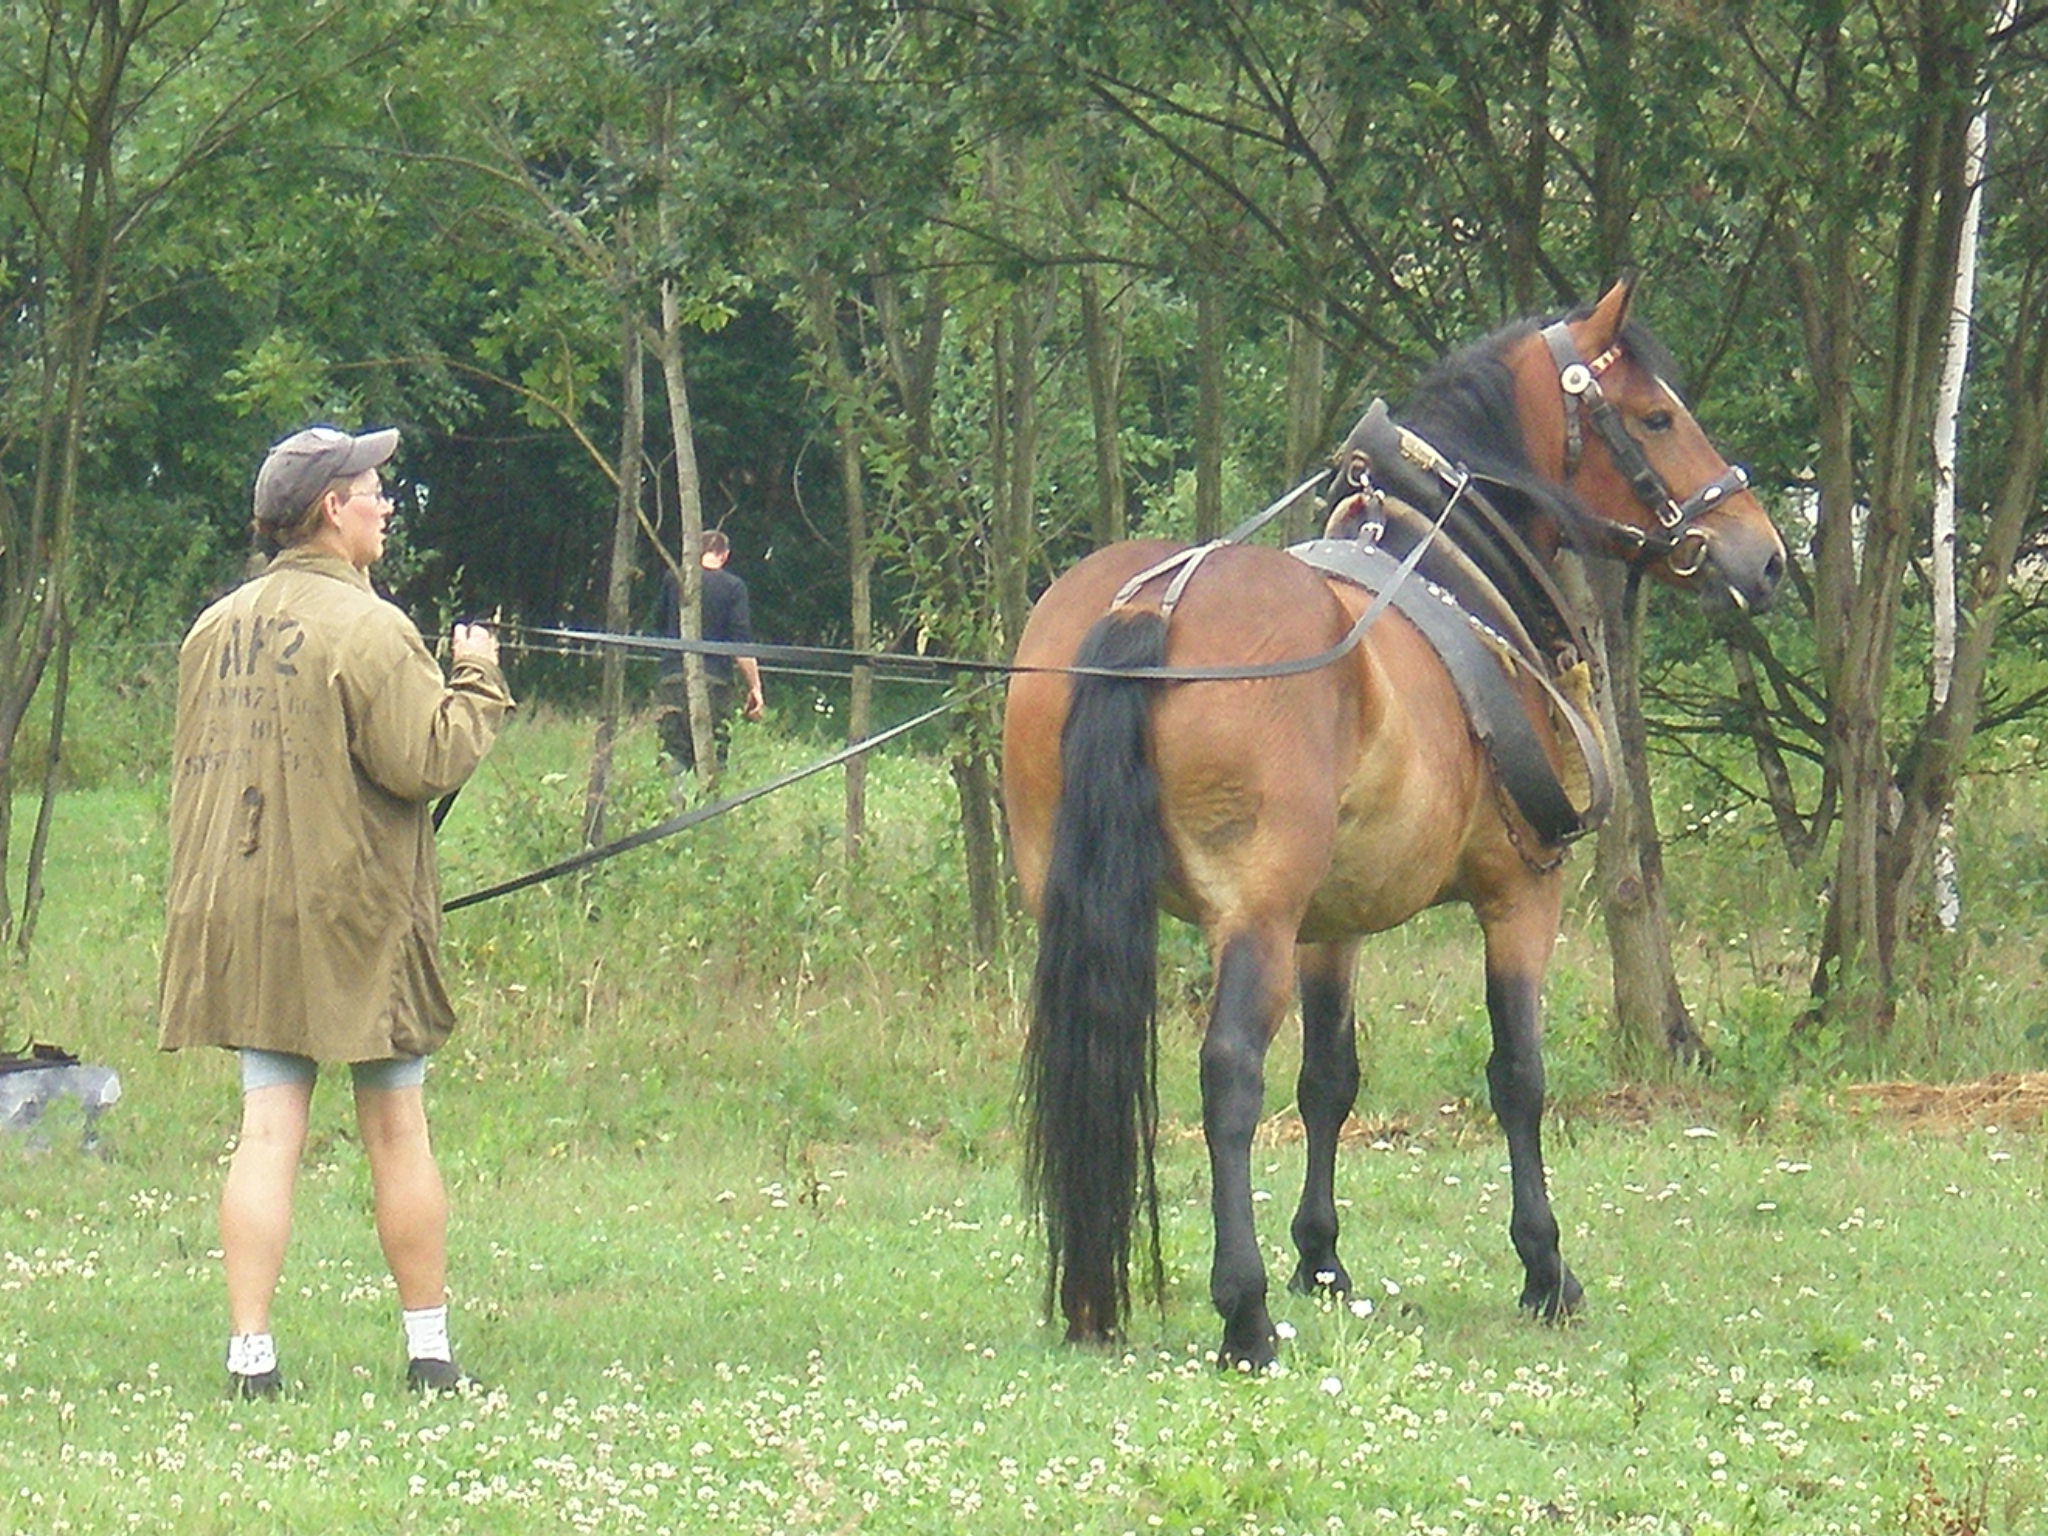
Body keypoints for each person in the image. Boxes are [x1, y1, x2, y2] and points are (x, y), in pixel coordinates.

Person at [157, 425, 513, 1400]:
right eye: (372, 490)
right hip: (355, 922)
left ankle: (250, 1360)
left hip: (238, 913)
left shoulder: (211, 628)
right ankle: (431, 1358)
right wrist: (476, 673)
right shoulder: (371, 628)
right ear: (330, 510)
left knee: (266, 1131)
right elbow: (427, 759)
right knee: (396, 1127)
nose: (385, 505)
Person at [654, 528, 764, 773]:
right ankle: (711, 807)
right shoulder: (734, 587)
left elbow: (659, 623)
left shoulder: (675, 579)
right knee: (713, 755)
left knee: (672, 754)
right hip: (715, 682)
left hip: (673, 676)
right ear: (724, 555)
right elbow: (741, 644)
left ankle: (673, 808)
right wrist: (754, 687)